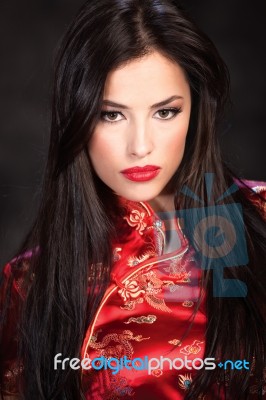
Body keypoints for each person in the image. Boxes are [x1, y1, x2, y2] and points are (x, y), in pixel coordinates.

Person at [0, 0, 265, 399]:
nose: (140, 147)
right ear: (76, 117)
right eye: (111, 115)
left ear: (195, 111)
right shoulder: (28, 286)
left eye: (165, 112)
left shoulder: (260, 218)